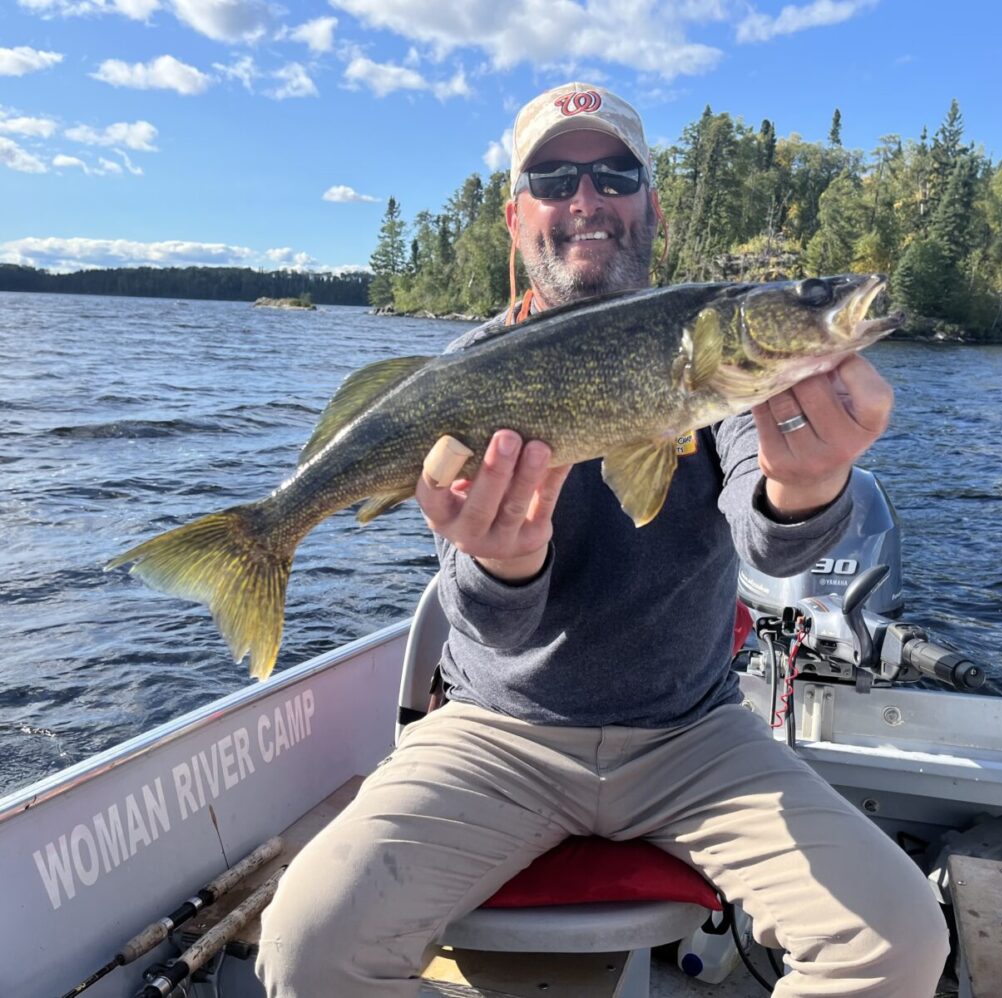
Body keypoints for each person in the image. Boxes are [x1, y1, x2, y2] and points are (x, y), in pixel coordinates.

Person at [257, 82, 948, 996]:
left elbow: (772, 540)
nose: (587, 198)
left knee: (899, 943)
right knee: (306, 951)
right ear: (517, 217)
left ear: (650, 206)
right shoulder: (464, 375)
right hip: (496, 733)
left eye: (615, 174)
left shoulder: (711, 362)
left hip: (693, 738)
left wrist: (811, 482)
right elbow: (494, 630)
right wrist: (505, 564)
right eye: (554, 177)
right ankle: (254, 544)